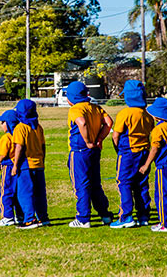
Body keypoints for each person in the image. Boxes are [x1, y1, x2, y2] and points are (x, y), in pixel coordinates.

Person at [65, 81, 114, 228]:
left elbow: (82, 123)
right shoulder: (95, 107)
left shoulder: (75, 109)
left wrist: (87, 141)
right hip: (94, 149)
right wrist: (99, 138)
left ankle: (83, 218)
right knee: (95, 183)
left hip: (80, 150)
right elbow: (109, 122)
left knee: (81, 184)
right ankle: (104, 214)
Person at [110, 80, 154, 228]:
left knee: (124, 182)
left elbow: (116, 135)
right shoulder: (147, 115)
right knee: (141, 184)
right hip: (144, 152)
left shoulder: (125, 113)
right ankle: (143, 215)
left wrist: (118, 150)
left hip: (128, 152)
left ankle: (126, 216)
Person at [139, 98, 167, 232]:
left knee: (163, 195)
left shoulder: (158, 129)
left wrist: (146, 165)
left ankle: (165, 223)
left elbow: (155, 148)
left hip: (164, 165)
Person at [11, 99, 48, 229]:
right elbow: (43, 146)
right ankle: (43, 217)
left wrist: (15, 165)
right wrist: (42, 160)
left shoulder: (20, 128)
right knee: (40, 193)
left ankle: (30, 219)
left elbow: (19, 147)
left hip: (26, 164)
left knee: (25, 193)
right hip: (39, 164)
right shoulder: (38, 127)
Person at [0, 109, 24, 226]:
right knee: (17, 192)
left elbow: (3, 153)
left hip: (8, 166)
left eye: (3, 122)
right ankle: (20, 216)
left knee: (5, 191)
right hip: (19, 165)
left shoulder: (6, 137)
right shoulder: (19, 135)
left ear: (9, 123)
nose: (1, 125)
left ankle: (7, 216)